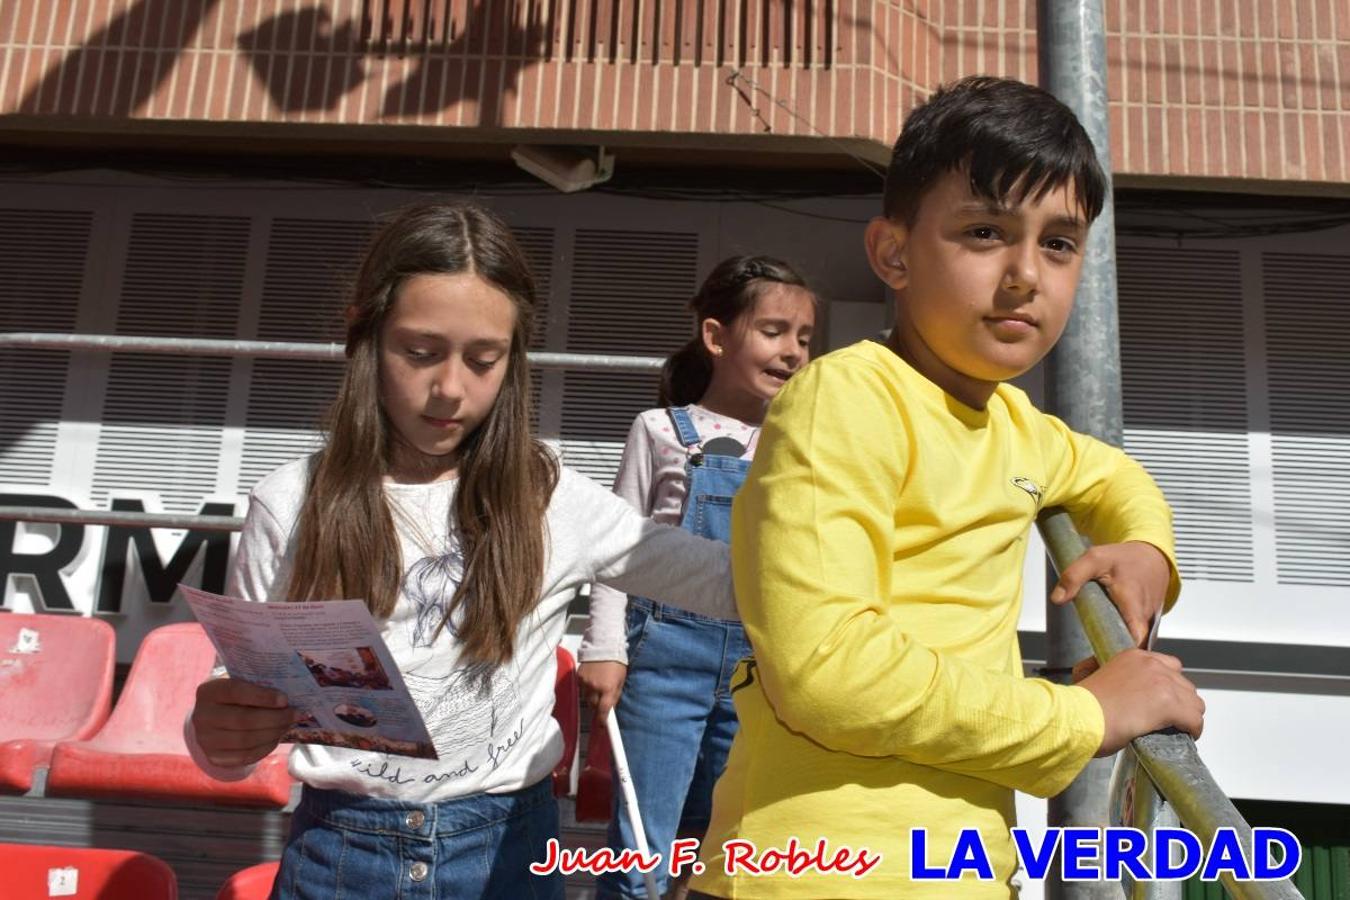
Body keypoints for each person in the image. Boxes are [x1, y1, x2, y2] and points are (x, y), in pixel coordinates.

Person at [688, 76, 1207, 899]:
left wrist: (1146, 548)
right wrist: (1085, 716)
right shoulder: (844, 400)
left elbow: (1116, 474)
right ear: (894, 253)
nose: (1025, 275)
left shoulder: (1015, 426)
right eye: (985, 232)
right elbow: (829, 673)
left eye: (1059, 244)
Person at [184, 202, 739, 900]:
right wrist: (217, 728)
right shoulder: (288, 503)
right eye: (418, 352)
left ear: (514, 362)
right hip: (337, 858)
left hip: (509, 852)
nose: (450, 388)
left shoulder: (550, 498)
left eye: (483, 360)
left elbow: (730, 583)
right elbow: (232, 717)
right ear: (366, 334)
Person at [577, 256, 817, 899]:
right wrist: (603, 649)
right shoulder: (659, 431)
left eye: (804, 337)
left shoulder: (803, 447)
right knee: (642, 854)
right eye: (774, 331)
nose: (792, 351)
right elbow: (615, 550)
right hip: (663, 663)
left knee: (724, 852)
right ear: (716, 337)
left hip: (762, 671)